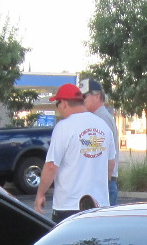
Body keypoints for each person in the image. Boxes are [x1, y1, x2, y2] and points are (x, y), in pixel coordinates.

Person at [34, 83, 115, 222]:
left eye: (57, 104)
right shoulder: (103, 126)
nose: (59, 109)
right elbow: (111, 164)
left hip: (69, 206)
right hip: (100, 206)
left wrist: (40, 194)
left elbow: (51, 166)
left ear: (64, 103)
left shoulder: (63, 127)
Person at [82, 79, 119, 205]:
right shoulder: (100, 116)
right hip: (103, 182)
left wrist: (104, 181)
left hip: (103, 182)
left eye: (85, 96)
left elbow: (103, 153)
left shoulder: (101, 118)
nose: (82, 100)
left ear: (97, 96)